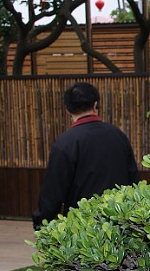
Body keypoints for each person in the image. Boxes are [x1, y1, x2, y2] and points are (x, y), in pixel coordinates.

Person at [33, 82, 139, 230]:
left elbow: (53, 191)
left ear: (67, 110)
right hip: (119, 222)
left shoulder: (65, 143)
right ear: (95, 105)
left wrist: (42, 223)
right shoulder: (118, 136)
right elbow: (133, 180)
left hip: (82, 227)